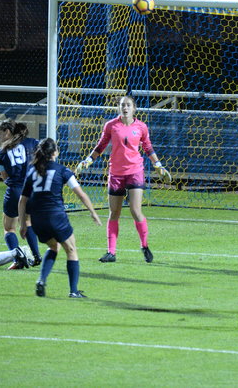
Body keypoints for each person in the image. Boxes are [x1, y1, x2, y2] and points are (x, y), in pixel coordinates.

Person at [75, 95, 171, 263]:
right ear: (119, 108)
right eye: (122, 105)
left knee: (135, 210)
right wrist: (88, 161)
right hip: (116, 173)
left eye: (128, 105)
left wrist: (158, 165)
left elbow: (148, 147)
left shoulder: (141, 126)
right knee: (114, 212)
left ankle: (144, 245)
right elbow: (100, 145)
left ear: (134, 108)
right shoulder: (111, 125)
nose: (125, 108)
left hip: (135, 171)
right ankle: (111, 252)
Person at [19, 138, 102, 298]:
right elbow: (80, 194)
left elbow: (22, 201)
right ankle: (73, 291)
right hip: (55, 216)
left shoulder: (32, 171)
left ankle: (41, 280)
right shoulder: (62, 170)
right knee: (71, 250)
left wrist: (23, 224)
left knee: (53, 247)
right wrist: (93, 212)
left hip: (37, 219)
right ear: (55, 152)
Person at [0, 118, 42, 269]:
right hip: (32, 189)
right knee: (27, 222)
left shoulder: (1, 152)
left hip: (15, 190)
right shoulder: (32, 143)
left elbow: (5, 178)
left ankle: (17, 259)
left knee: (9, 228)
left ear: (7, 132)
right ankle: (36, 255)